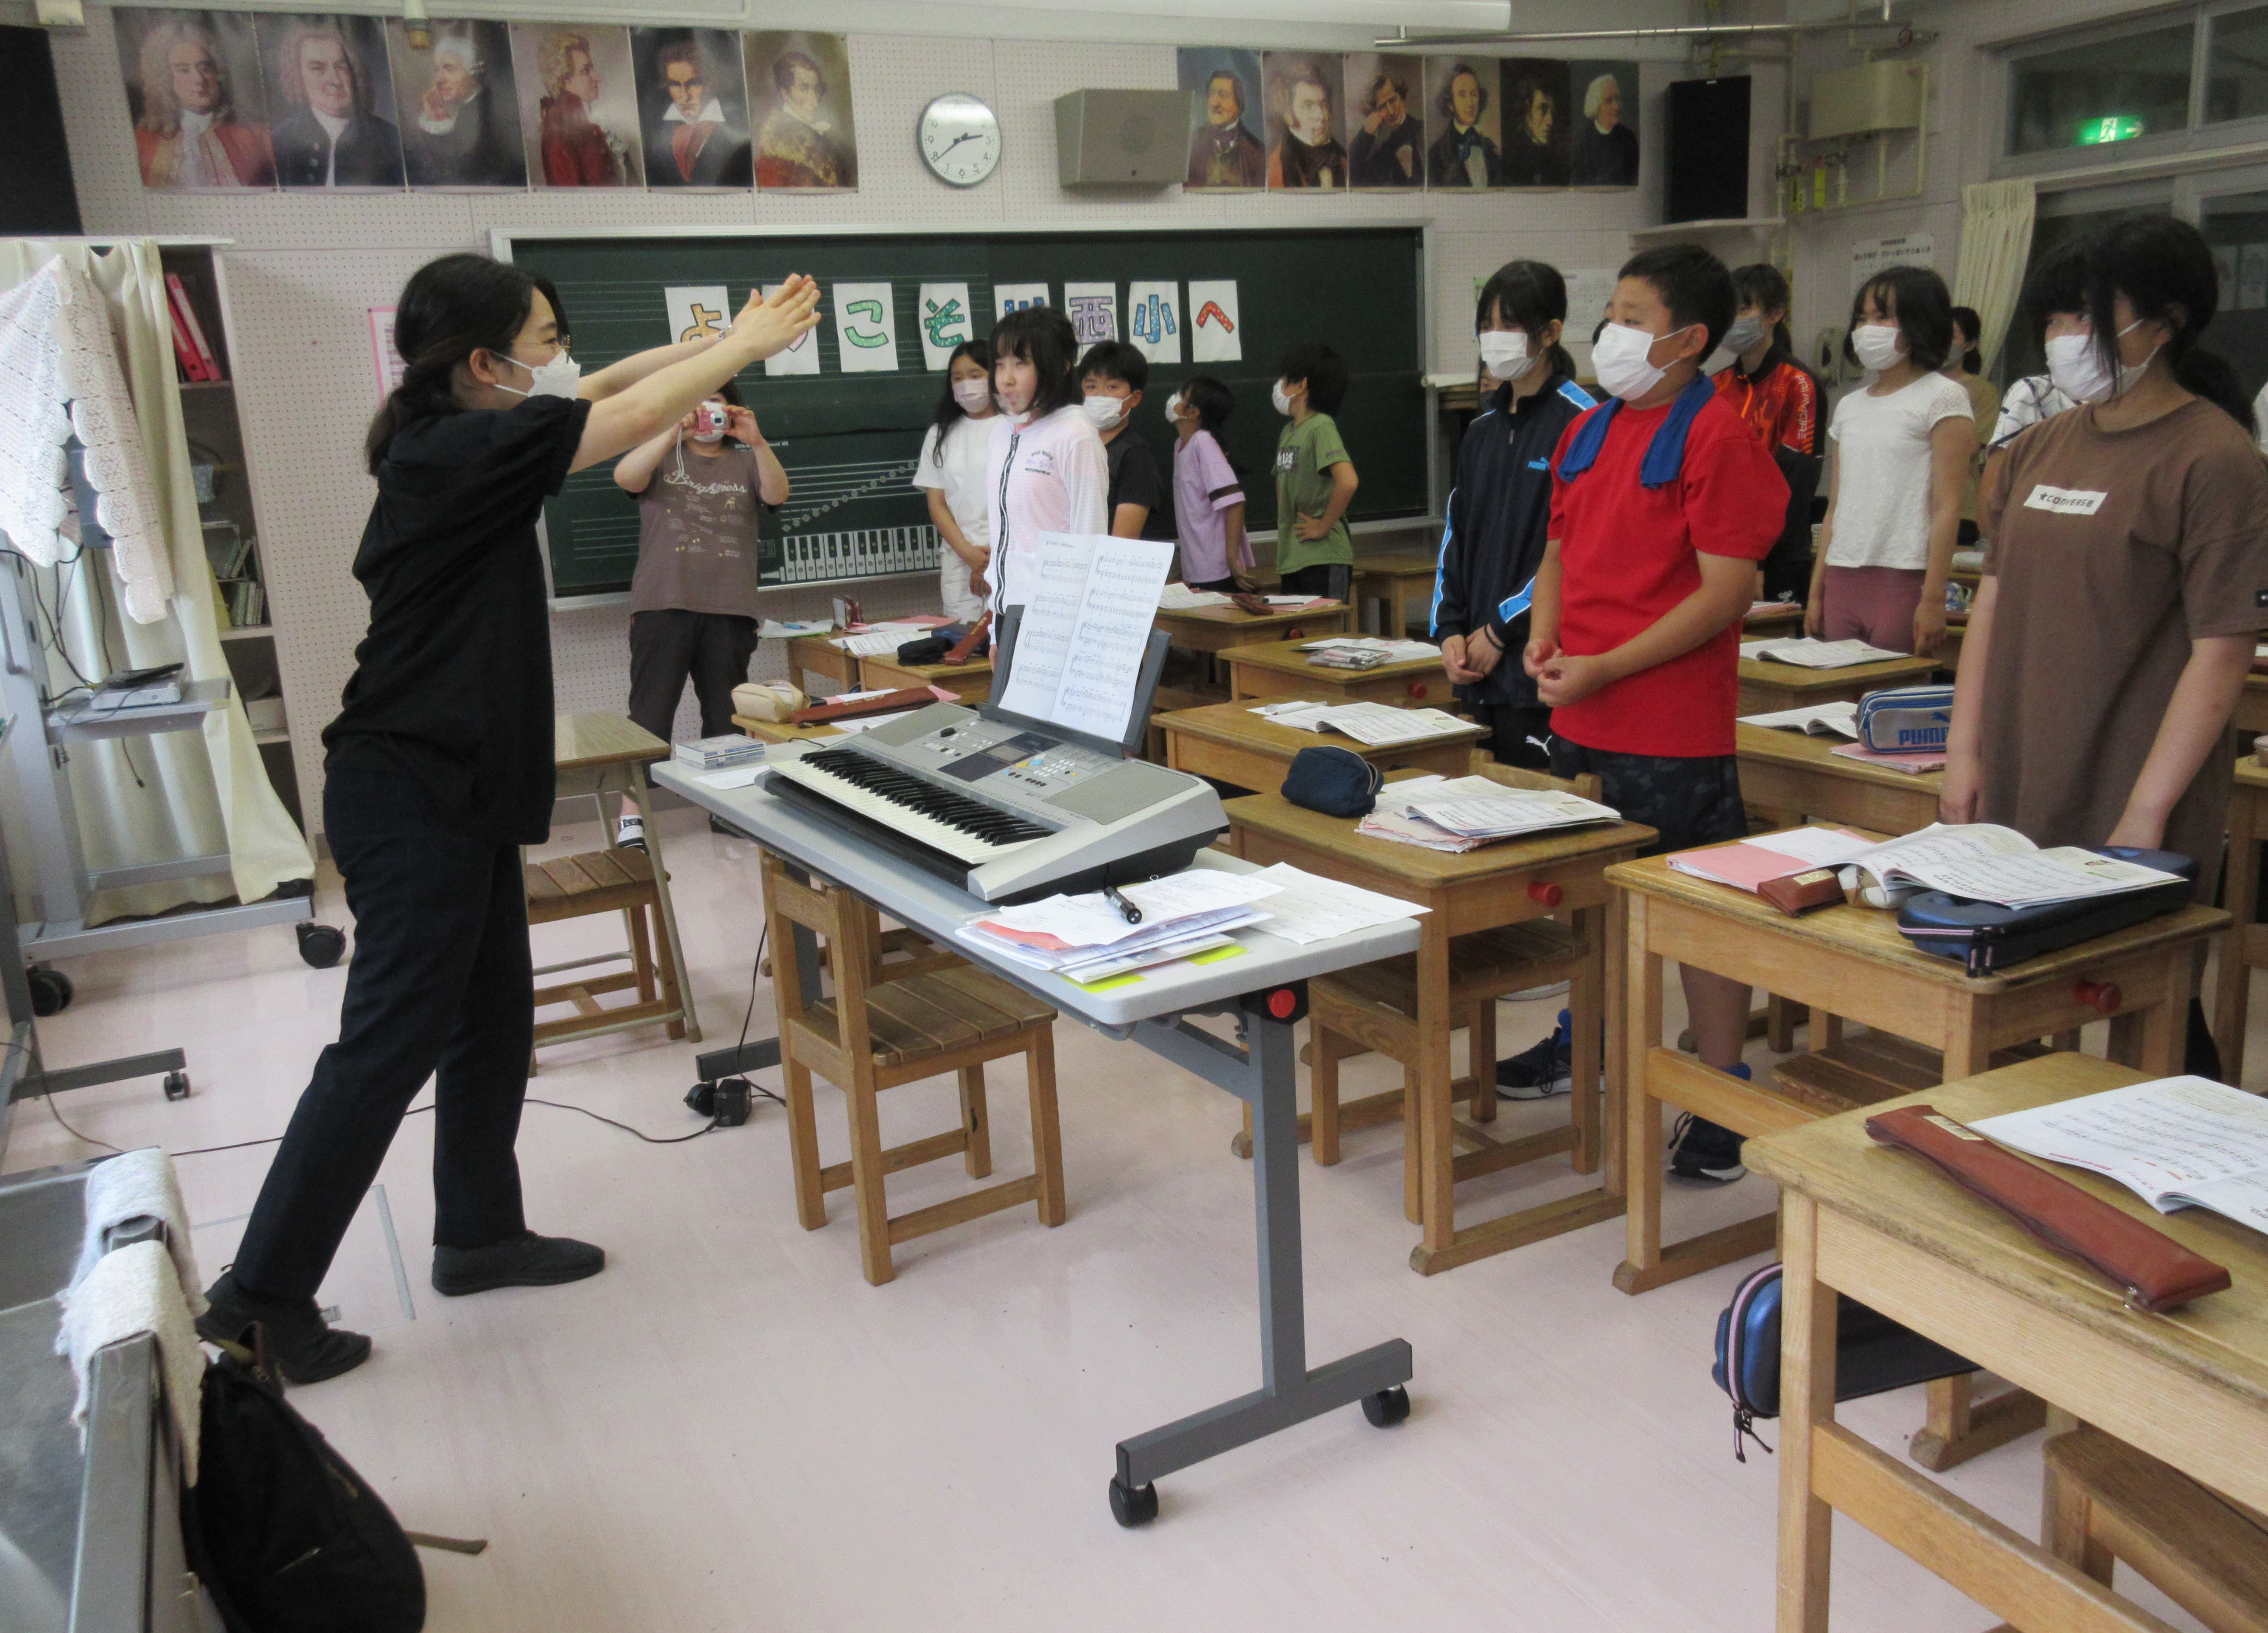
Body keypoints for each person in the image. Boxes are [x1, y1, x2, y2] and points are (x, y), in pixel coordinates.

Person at [192, 256, 822, 1382]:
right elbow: (615, 414)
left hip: (462, 786)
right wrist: (742, 351)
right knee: (387, 1045)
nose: (560, 356)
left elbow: (611, 385)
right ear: (486, 364)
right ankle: (258, 1299)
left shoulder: (472, 426)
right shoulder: (451, 452)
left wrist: (714, 341)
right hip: (409, 791)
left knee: (491, 1020)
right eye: (543, 339)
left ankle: (479, 1235)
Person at [1941, 216, 2268, 1080]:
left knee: (2143, 999)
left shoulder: (2215, 459)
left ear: (2164, 322)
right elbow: (1991, 606)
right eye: (2054, 318)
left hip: (2132, 774)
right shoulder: (2038, 446)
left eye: (2086, 316)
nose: (2064, 337)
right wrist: (1963, 752)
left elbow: (2222, 649)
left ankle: (2189, 1139)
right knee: (2006, 988)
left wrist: (2147, 809)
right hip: (2019, 761)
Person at [1522, 245, 1787, 1182]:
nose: (1613, 332)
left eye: (1633, 318)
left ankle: (1721, 1095)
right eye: (1613, 313)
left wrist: (1606, 667)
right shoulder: (1589, 430)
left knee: (1700, 919)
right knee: (1586, 904)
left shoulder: (1716, 437)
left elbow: (1726, 593)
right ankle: (1582, 1039)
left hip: (1671, 730)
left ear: (1688, 340)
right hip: (1581, 717)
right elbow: (1557, 552)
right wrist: (1545, 639)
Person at [1435, 259, 1596, 776]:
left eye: (1510, 325)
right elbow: (1456, 535)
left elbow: (1574, 549)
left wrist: (1502, 630)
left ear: (1550, 333)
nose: (1495, 337)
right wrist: (1450, 628)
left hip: (1538, 664)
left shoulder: (1584, 422)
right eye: (1487, 325)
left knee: (1539, 803)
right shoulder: (1481, 430)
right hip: (1476, 666)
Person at [612, 379, 787, 816]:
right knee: (650, 716)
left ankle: (727, 813)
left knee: (726, 717)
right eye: (695, 405)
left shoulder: (747, 461)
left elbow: (777, 494)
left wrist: (758, 442)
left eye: (716, 405)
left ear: (733, 412)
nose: (706, 414)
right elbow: (625, 477)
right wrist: (672, 431)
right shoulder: (661, 457)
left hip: (730, 608)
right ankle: (633, 822)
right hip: (663, 604)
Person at [1805, 266, 1971, 655]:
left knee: (1894, 691)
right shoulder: (1849, 406)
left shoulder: (1944, 397)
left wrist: (1934, 598)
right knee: (1838, 692)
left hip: (1904, 576)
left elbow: (1947, 507)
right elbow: (1836, 507)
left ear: (1919, 322)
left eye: (1882, 317)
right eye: (1862, 319)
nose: (1868, 329)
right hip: (1842, 574)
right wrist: (1816, 589)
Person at [985, 306, 1108, 613]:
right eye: (1000, 365)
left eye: (1021, 364)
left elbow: (1090, 540)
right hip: (1005, 611)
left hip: (1054, 614)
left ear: (1060, 367)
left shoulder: (1075, 434)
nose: (1006, 380)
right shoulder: (1001, 431)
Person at [1714, 263, 1825, 603]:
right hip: (1719, 550)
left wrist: (1758, 558)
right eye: (1729, 309)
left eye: (1744, 309)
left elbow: (1793, 484)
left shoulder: (1798, 384)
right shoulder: (1716, 386)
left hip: (1779, 555)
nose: (1734, 319)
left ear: (1777, 313)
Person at [131, 15, 274, 189]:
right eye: (184, 70)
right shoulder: (143, 141)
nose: (199, 79)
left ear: (218, 73)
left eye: (205, 68)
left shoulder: (253, 136)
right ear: (165, 78)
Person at [912, 339, 995, 624]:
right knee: (962, 641)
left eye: (975, 375)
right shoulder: (940, 435)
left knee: (1008, 639)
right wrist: (968, 554)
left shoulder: (1017, 427)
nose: (966, 384)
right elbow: (937, 503)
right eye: (957, 378)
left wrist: (990, 562)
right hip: (960, 559)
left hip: (1008, 555)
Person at [1272, 341, 1359, 602]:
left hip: (1324, 556)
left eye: (1285, 379)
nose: (1279, 385)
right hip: (1293, 557)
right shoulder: (1288, 432)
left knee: (1326, 628)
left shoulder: (1321, 426)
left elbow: (1348, 482)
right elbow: (1282, 486)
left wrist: (1322, 527)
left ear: (1302, 385)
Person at [270, 20, 403, 188]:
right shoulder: (278, 139)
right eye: (318, 68)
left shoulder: (391, 140)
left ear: (355, 74)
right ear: (297, 75)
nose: (334, 80)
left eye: (341, 67)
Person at [399, 31, 525, 188]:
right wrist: (437, 117)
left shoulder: (484, 112)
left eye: (449, 69)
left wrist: (435, 121)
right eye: (437, 70)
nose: (439, 80)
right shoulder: (471, 108)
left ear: (473, 74)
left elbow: (456, 173)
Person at [1167, 377, 1252, 591]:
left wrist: (1232, 558)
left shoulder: (1203, 442)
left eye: (1182, 395)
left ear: (1194, 412)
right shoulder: (1180, 445)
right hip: (1197, 567)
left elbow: (1234, 503)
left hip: (1218, 568)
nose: (1174, 398)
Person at [1079, 341, 1166, 539]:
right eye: (1091, 386)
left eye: (1112, 387)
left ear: (1135, 399)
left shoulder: (1136, 456)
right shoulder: (1075, 445)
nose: (1100, 395)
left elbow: (1122, 543)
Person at [643, 38, 749, 188]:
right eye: (675, 85)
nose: (685, 96)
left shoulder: (739, 124)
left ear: (711, 82)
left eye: (694, 83)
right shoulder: (654, 130)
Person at [1943, 304, 2003, 547]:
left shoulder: (1983, 392)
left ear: (1969, 345)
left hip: (1960, 507)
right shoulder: (1915, 387)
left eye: (1951, 335)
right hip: (1910, 505)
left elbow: (1968, 446)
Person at [536, 31, 628, 186]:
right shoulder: (559, 124)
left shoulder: (578, 117)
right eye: (586, 71)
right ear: (564, 78)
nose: (597, 78)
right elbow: (569, 192)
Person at [755, 49, 851, 188]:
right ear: (785, 93)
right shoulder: (773, 147)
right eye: (804, 89)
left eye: (816, 90)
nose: (815, 102)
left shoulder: (823, 136)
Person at [1184, 65, 1265, 188]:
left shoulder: (1258, 152)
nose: (1215, 103)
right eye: (1212, 94)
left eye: (1223, 96)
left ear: (1239, 105)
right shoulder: (1189, 146)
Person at [1267, 64, 1346, 188]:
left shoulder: (1343, 159)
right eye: (1308, 106)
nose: (1321, 116)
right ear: (1288, 114)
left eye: (1324, 105)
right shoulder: (1276, 167)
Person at [1426, 63, 1500, 187]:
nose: (1470, 103)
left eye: (1474, 95)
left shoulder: (1491, 154)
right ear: (1451, 104)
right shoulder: (1436, 156)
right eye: (1462, 95)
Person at [1348, 68, 1422, 187]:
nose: (1391, 111)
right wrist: (1366, 134)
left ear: (1401, 96)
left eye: (1393, 100)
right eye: (1383, 106)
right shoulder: (1383, 153)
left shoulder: (1422, 131)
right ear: (1375, 113)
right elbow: (1352, 176)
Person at [1500, 71, 1568, 187]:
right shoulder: (1512, 159)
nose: (1550, 121)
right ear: (1526, 110)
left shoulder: (1554, 160)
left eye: (1552, 112)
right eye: (1542, 110)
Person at [1571, 71, 1638, 186]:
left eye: (1617, 99)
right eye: (1609, 101)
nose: (1616, 107)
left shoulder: (1629, 139)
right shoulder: (1582, 143)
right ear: (1596, 106)